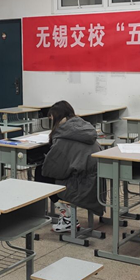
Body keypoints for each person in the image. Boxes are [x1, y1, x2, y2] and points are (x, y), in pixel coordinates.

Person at [39, 100, 104, 233]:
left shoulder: (64, 135)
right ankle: (67, 215)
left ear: (59, 117)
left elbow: (55, 169)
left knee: (41, 174)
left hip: (81, 185)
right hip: (95, 182)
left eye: (52, 118)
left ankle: (67, 217)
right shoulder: (82, 127)